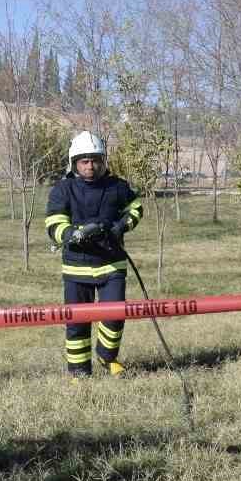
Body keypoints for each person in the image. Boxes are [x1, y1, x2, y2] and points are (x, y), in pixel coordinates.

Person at [44, 131, 143, 378]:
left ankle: (107, 357)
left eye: (96, 160)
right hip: (76, 268)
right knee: (77, 321)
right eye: (84, 161)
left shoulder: (117, 187)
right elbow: (53, 222)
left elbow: (136, 208)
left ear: (103, 161)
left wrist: (121, 226)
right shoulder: (63, 189)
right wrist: (70, 234)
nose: (91, 166)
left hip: (112, 264)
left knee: (115, 315)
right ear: (74, 162)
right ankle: (79, 371)